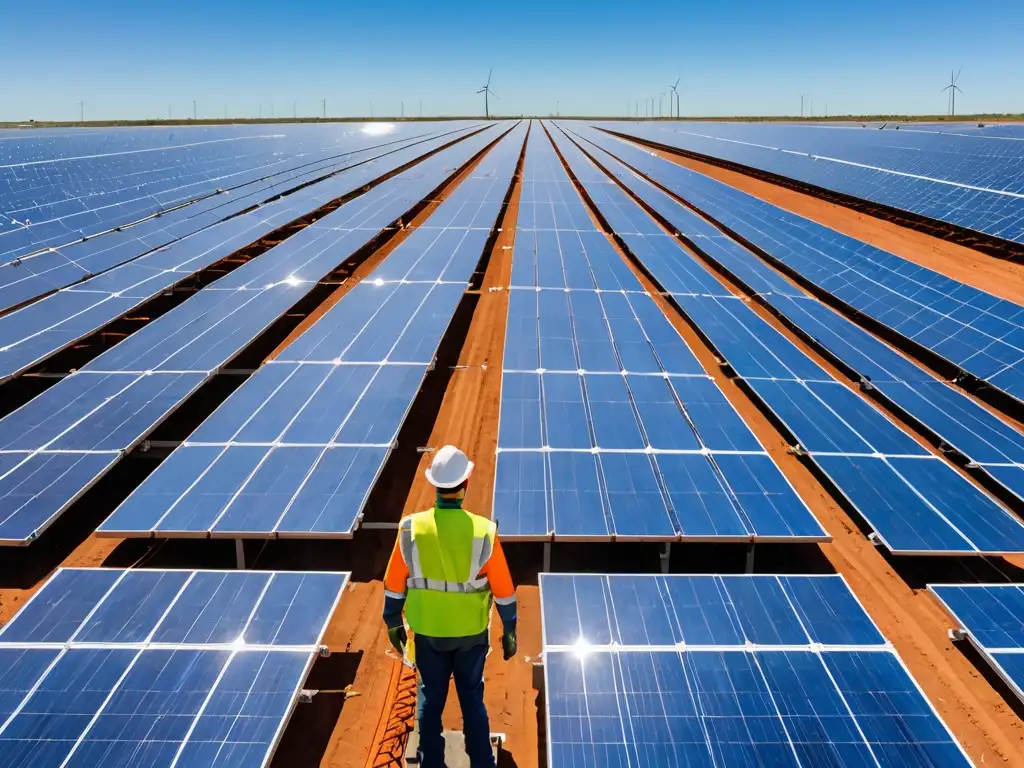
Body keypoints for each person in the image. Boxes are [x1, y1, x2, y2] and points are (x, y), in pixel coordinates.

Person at [383, 445, 517, 768]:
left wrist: (392, 622)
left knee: (430, 700)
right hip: (470, 635)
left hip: (427, 634)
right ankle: (482, 761)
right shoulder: (484, 532)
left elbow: (393, 585)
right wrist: (509, 629)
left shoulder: (410, 529)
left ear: (435, 485)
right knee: (472, 698)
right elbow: (504, 592)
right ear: (466, 483)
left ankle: (431, 764)